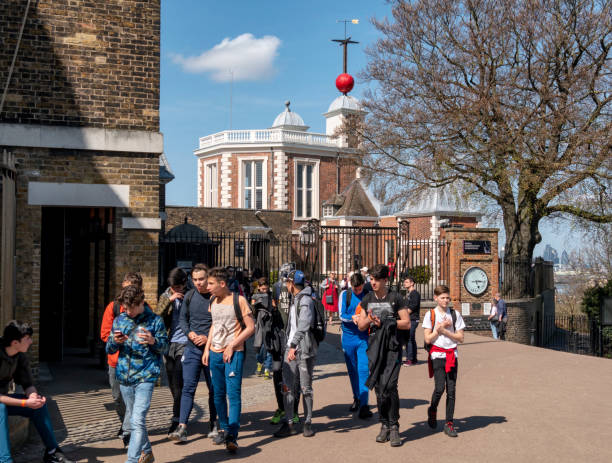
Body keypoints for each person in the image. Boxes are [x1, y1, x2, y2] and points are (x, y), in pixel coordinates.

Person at [107, 285, 169, 463]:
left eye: (130, 308)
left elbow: (165, 347)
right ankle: (147, 452)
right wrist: (114, 341)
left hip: (146, 377)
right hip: (125, 378)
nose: (127, 311)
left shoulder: (155, 321)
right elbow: (109, 348)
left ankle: (132, 460)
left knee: (137, 419)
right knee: (136, 421)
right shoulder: (120, 320)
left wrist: (153, 341)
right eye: (125, 308)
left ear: (141, 303)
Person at [0, 321, 77, 463]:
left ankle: (52, 452)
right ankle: (4, 460)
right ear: (15, 342)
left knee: (38, 406)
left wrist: (33, 398)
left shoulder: (19, 355)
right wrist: (25, 402)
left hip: (4, 399)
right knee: (1, 408)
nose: (31, 341)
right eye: (28, 338)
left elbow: (28, 383)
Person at [355, 264, 410, 447]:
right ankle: (384, 424)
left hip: (392, 348)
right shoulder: (368, 298)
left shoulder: (396, 298)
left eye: (377, 279)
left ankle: (394, 426)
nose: (373, 282)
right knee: (379, 389)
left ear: (385, 280)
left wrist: (389, 320)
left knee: (390, 386)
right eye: (371, 279)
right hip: (374, 347)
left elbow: (407, 323)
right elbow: (361, 325)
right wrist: (370, 319)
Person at [203, 267, 255, 454]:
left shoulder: (239, 301)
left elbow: (251, 327)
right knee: (217, 394)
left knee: (233, 395)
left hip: (233, 353)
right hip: (215, 353)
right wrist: (207, 348)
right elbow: (214, 325)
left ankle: (232, 435)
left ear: (222, 284)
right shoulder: (212, 301)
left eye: (210, 283)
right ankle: (223, 428)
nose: (207, 286)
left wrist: (232, 345)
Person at [169, 264, 218, 442]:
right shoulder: (189, 295)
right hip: (191, 349)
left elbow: (221, 323)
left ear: (208, 278)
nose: (198, 283)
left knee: (214, 389)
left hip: (212, 350)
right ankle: (182, 427)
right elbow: (183, 319)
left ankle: (214, 424)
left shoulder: (215, 297)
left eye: (201, 279)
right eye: (195, 280)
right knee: (188, 388)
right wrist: (189, 333)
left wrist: (207, 338)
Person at [273, 270, 319, 439]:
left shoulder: (305, 299)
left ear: (292, 283)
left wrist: (293, 345)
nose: (285, 285)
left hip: (303, 350)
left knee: (305, 388)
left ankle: (307, 422)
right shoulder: (295, 299)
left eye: (287, 282)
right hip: (290, 347)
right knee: (287, 387)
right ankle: (289, 422)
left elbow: (304, 324)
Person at [100, 272, 143, 446]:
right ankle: (127, 424)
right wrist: (117, 338)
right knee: (118, 397)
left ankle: (128, 432)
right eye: (127, 288)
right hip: (116, 361)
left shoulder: (144, 308)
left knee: (132, 399)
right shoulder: (113, 307)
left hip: (137, 362)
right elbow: (104, 334)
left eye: (133, 289)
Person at [423, 285, 465, 438]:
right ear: (436, 298)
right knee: (440, 388)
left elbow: (460, 338)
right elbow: (428, 338)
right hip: (437, 355)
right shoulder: (430, 314)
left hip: (452, 354)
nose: (446, 300)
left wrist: (446, 331)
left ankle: (449, 423)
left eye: (447, 297)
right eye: (442, 298)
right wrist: (439, 329)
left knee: (452, 391)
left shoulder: (455, 314)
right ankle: (432, 409)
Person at [155, 267, 190, 438]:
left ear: (184, 283)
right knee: (172, 382)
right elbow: (157, 315)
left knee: (179, 381)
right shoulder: (165, 295)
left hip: (185, 342)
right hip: (169, 343)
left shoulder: (190, 295)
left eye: (178, 287)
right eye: (173, 287)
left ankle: (177, 420)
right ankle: (180, 412)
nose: (176, 290)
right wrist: (170, 299)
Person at [338, 272, 372, 419]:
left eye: (359, 288)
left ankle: (364, 404)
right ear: (350, 285)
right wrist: (352, 318)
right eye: (355, 288)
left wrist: (366, 319)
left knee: (363, 369)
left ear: (364, 284)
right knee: (352, 370)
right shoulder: (345, 295)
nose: (357, 291)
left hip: (363, 337)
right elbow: (341, 314)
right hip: (348, 337)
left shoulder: (368, 295)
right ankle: (357, 397)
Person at [253, 278, 274, 379]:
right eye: (262, 289)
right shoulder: (255, 296)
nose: (265, 291)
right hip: (258, 323)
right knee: (258, 346)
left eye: (266, 289)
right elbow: (252, 309)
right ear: (259, 288)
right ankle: (260, 362)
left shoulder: (271, 295)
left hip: (269, 322)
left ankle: (267, 368)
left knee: (268, 346)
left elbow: (274, 306)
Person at [402, 276, 421, 366]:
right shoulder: (408, 294)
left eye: (406, 282)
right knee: (411, 339)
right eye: (404, 282)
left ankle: (409, 359)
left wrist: (403, 315)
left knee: (408, 339)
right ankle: (414, 359)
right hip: (409, 319)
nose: (404, 283)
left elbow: (413, 306)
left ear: (412, 283)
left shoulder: (414, 294)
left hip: (413, 319)